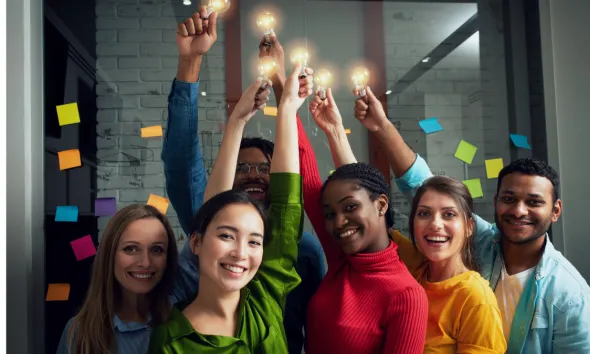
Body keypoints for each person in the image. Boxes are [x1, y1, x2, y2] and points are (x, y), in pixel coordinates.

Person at [354, 86, 590, 353]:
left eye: (534, 202)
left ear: (556, 211)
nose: (519, 211)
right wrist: (381, 126)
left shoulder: (569, 295)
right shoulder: (482, 240)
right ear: (496, 202)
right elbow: (422, 186)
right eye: (509, 199)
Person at [162, 8, 326, 353]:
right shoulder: (173, 338)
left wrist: (285, 96)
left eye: (265, 169)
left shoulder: (294, 252)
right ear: (198, 240)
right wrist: (190, 65)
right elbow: (182, 163)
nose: (253, 176)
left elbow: (289, 197)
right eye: (241, 168)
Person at [302, 89, 428, 353]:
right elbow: (306, 177)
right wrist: (287, 96)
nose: (339, 223)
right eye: (329, 214)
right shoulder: (343, 260)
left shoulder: (406, 295)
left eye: (350, 207)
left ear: (381, 204)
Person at [397, 176, 506, 353]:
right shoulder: (413, 267)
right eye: (424, 213)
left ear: (469, 227)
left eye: (449, 214)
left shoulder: (475, 299)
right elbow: (369, 212)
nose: (435, 224)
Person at [57, 204, 178, 354]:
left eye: (157, 249)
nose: (145, 262)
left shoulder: (186, 320)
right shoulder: (79, 332)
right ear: (110, 255)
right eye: (131, 249)